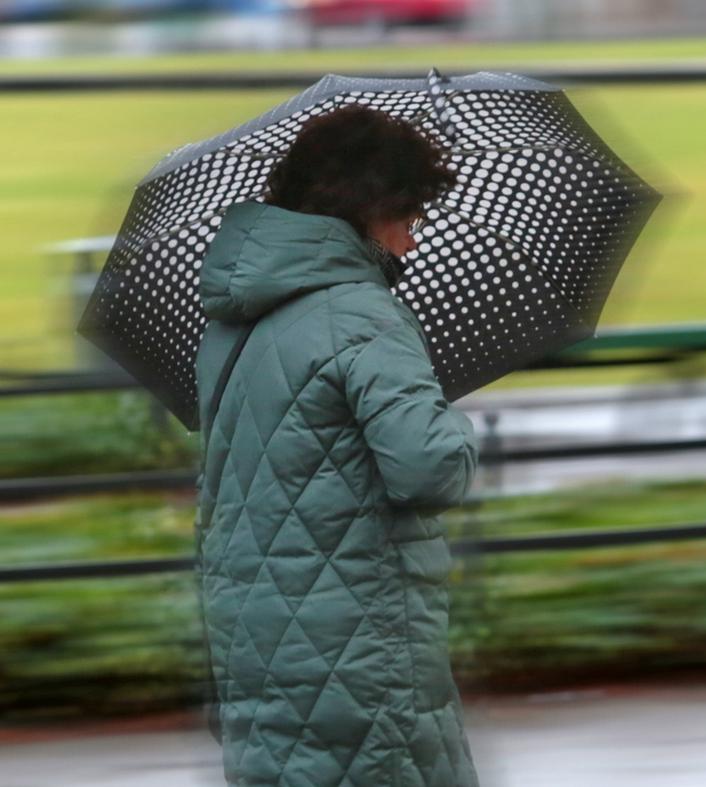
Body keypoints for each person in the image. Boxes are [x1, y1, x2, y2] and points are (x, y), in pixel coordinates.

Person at [192, 104, 482, 786]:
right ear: (370, 205)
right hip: (359, 642)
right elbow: (429, 468)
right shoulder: (360, 312)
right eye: (409, 218)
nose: (412, 241)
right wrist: (456, 426)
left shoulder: (233, 322)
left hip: (252, 638)